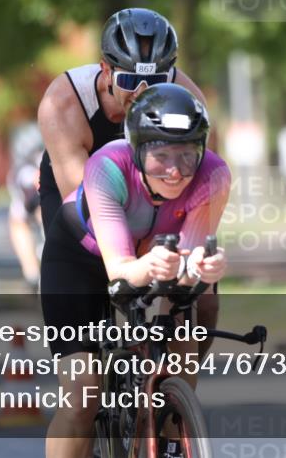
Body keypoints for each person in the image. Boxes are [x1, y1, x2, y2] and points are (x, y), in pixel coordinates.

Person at [42, 84, 230, 458]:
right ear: (137, 149)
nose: (175, 171)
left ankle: (173, 430)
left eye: (187, 155)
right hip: (82, 259)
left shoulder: (214, 175)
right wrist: (153, 266)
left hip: (152, 254)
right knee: (83, 396)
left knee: (182, 341)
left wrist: (200, 267)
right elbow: (121, 271)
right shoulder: (106, 167)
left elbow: (187, 265)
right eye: (160, 155)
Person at [36, 8, 220, 346]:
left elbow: (198, 187)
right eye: (130, 81)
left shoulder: (189, 102)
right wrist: (135, 268)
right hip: (85, 199)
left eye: (156, 81)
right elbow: (88, 209)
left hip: (158, 200)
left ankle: (171, 392)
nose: (143, 92)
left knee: (202, 303)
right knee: (100, 277)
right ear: (106, 72)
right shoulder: (63, 104)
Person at [7, 123, 45, 288]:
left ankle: (31, 272)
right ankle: (32, 271)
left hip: (38, 204)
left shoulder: (19, 169)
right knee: (19, 218)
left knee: (16, 220)